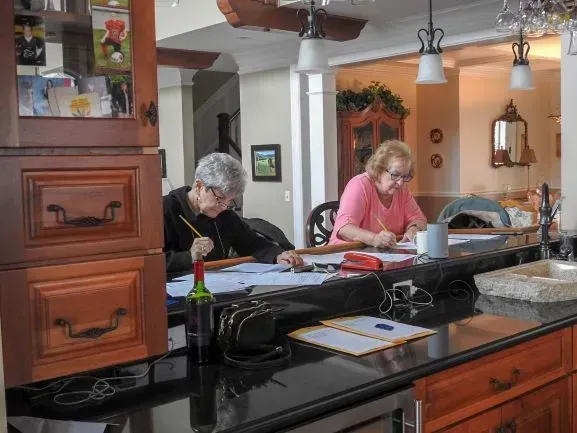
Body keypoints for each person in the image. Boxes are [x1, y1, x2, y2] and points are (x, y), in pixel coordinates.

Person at [163, 152, 303, 273]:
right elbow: (147, 262)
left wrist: (278, 255)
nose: (224, 206)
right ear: (200, 186)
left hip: (221, 289)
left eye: (230, 201)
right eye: (220, 198)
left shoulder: (225, 215)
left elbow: (252, 243)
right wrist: (189, 256)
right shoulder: (163, 210)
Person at [329, 140, 427, 248]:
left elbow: (419, 220)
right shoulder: (359, 185)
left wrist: (413, 230)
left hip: (385, 257)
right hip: (344, 256)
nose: (400, 183)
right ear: (379, 169)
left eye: (404, 177)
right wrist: (374, 239)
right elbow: (344, 229)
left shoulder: (402, 190)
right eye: (395, 175)